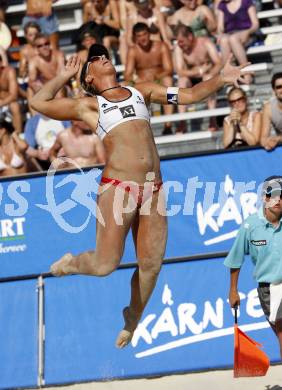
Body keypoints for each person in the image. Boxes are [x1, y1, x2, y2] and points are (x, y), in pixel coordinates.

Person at [30, 43, 250, 349]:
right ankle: (71, 264)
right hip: (118, 188)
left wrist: (222, 79)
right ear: (88, 78)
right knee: (105, 265)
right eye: (95, 59)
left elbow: (190, 95)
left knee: (152, 264)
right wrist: (63, 75)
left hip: (153, 189)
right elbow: (38, 102)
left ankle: (133, 316)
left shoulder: (140, 91)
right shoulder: (89, 105)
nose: (103, 57)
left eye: (104, 53)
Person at [225, 175, 282, 358]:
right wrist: (233, 290)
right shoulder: (250, 225)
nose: (277, 200)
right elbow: (235, 259)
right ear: (264, 198)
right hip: (269, 290)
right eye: (272, 195)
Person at [124, 23, 174, 135]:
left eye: (145, 34)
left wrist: (156, 77)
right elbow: (127, 74)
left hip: (159, 81)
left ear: (149, 34)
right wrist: (137, 80)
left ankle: (168, 125)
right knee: (125, 84)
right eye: (139, 36)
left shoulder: (161, 46)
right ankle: (137, 128)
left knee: (168, 80)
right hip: (141, 83)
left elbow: (169, 69)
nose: (143, 38)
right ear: (135, 38)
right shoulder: (133, 51)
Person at [174, 25, 222, 132]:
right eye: (178, 42)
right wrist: (199, 71)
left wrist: (210, 73)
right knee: (181, 82)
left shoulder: (205, 43)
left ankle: (212, 120)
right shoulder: (179, 48)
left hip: (208, 77)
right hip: (192, 80)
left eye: (181, 41)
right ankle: (182, 122)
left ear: (190, 37)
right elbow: (180, 71)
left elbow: (218, 63)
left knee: (208, 79)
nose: (180, 44)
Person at [217, 0, 259, 84]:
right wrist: (220, 34)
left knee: (233, 39)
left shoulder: (246, 2)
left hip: (247, 33)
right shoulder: (222, 5)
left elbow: (255, 24)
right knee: (224, 40)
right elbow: (220, 27)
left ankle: (247, 75)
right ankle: (228, 76)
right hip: (230, 34)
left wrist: (247, 32)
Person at [28, 33, 65, 106]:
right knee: (29, 91)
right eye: (40, 46)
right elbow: (31, 80)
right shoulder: (34, 61)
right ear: (36, 49)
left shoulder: (59, 55)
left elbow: (61, 77)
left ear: (50, 45)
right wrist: (37, 87)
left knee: (59, 91)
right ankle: (36, 117)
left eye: (46, 44)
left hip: (61, 85)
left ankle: (61, 115)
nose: (44, 47)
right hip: (45, 87)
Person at [0, 53, 23, 134]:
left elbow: (14, 96)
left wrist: (2, 103)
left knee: (14, 106)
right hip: (4, 101)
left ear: (1, 63)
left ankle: (19, 136)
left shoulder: (9, 71)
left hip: (8, 102)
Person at [261, 73, 282, 151]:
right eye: (279, 87)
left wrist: (277, 139)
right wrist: (268, 143)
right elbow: (263, 138)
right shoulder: (268, 108)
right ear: (274, 90)